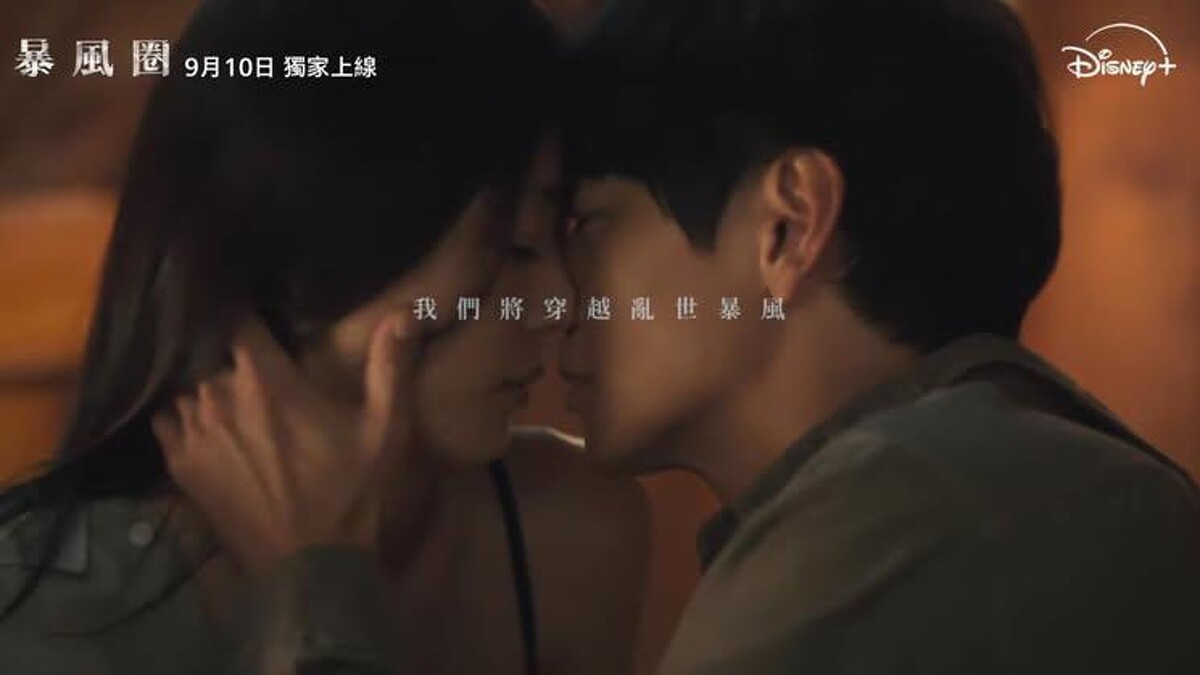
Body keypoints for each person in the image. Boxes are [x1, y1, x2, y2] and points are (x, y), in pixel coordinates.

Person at [152, 0, 1200, 673]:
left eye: (587, 227)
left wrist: (317, 587)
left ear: (786, 225)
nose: (554, 298)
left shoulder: (910, 508)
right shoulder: (1001, 483)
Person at [0, 1, 648, 674]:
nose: (559, 303)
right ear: (298, 243)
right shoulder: (42, 607)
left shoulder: (566, 530)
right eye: (513, 248)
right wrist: (322, 583)